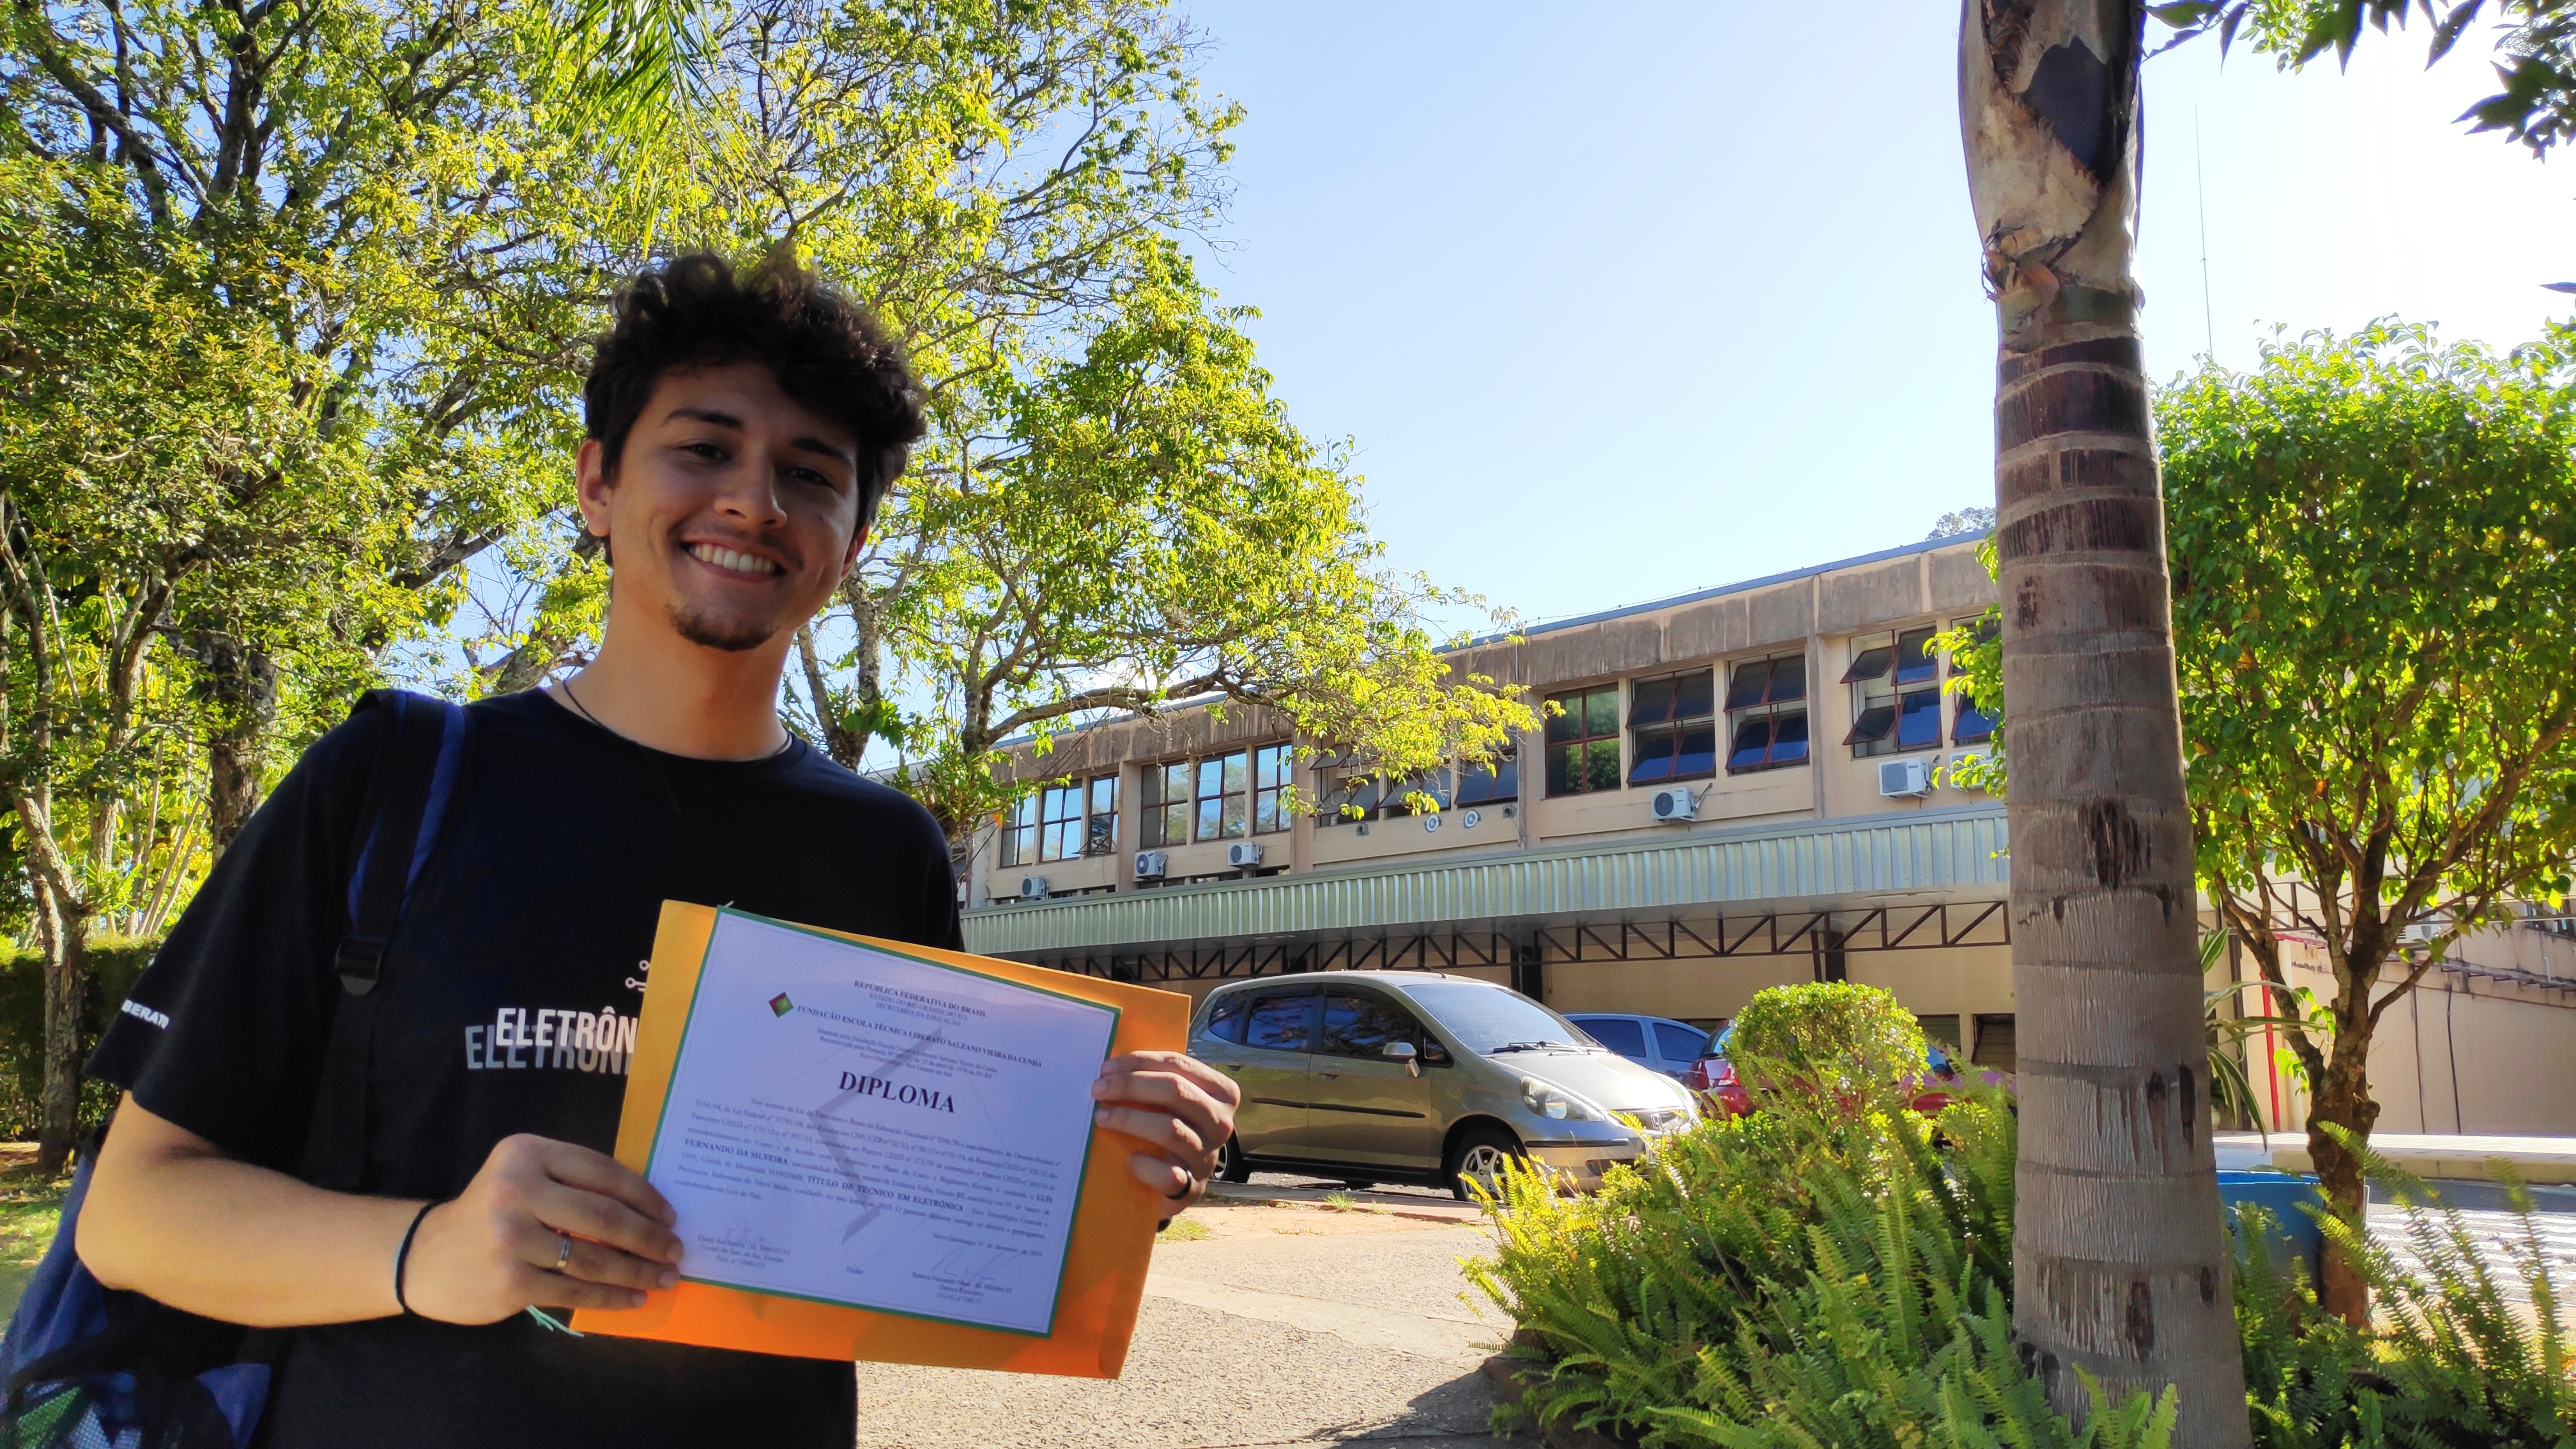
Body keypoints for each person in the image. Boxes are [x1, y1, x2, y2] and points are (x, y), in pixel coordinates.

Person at [73, 251, 1241, 1448]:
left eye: (809, 473)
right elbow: (136, 1214)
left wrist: (1116, 1174)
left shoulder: (884, 849)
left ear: (852, 540)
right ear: (596, 483)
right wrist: (431, 1251)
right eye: (705, 447)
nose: (755, 501)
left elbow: (912, 1203)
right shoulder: (396, 778)